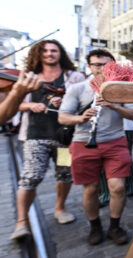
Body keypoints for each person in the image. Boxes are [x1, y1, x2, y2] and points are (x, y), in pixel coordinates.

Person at [58, 49, 133, 245]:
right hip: (84, 141)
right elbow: (63, 117)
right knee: (91, 189)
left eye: (106, 64)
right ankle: (95, 226)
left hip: (115, 141)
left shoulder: (120, 88)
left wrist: (113, 105)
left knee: (118, 187)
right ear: (89, 67)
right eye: (97, 64)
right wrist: (81, 117)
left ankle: (114, 226)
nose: (102, 68)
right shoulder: (77, 89)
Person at [10, 40, 85, 240]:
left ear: (61, 53)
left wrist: (67, 102)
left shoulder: (74, 77)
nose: (50, 54)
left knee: (64, 174)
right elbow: (14, 104)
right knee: (31, 176)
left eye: (54, 50)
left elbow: (85, 102)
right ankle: (21, 222)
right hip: (35, 135)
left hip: (64, 137)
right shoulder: (28, 77)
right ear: (38, 53)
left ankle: (60, 208)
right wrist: (30, 106)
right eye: (45, 50)